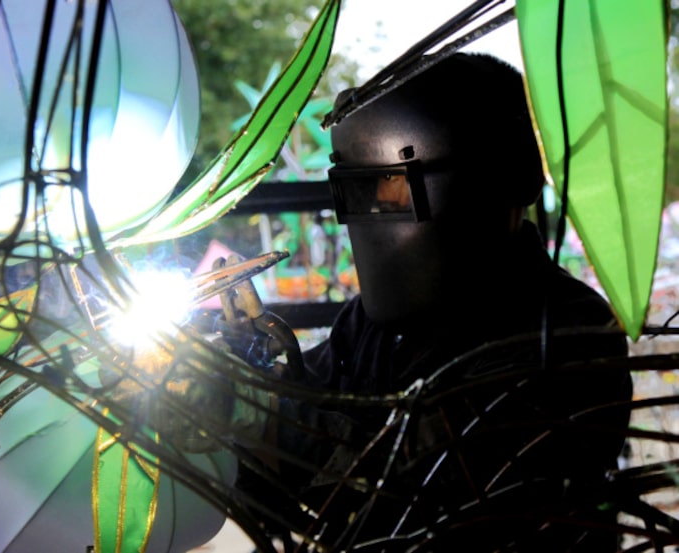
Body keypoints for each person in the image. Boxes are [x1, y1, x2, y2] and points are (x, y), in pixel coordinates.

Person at [228, 52, 633, 551]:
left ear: (500, 179)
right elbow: (306, 423)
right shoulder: (373, 324)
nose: (378, 205)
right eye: (363, 190)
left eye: (396, 185)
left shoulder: (569, 333)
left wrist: (262, 416)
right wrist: (246, 374)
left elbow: (432, 484)